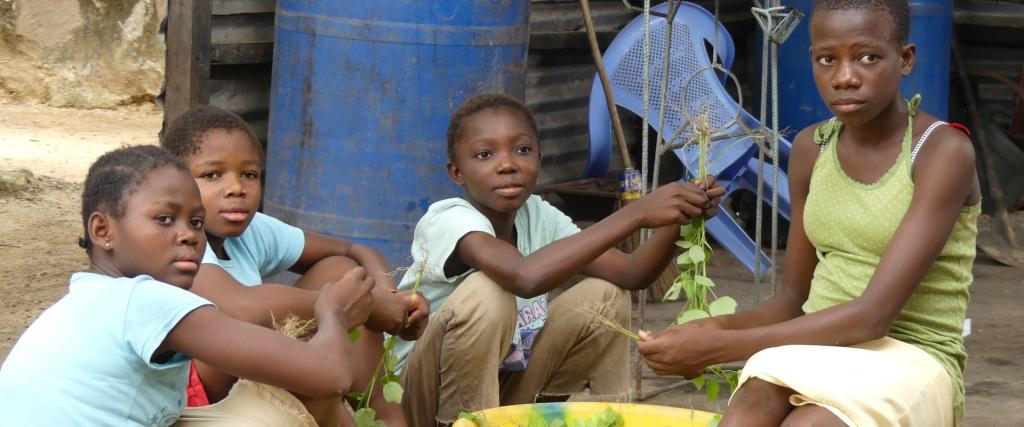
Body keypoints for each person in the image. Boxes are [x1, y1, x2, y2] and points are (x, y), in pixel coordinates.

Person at [636, 1, 980, 426]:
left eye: (867, 57)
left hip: (912, 354)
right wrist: (714, 329)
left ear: (905, 59)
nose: (845, 77)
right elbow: (794, 302)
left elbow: (873, 316)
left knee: (811, 422)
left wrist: (718, 349)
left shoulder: (941, 152)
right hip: (819, 344)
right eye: (827, 59)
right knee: (748, 410)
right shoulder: (810, 149)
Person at [393, 93, 725, 425]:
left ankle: (607, 418)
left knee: (605, 297)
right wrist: (637, 213)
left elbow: (631, 272)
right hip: (420, 402)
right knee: (488, 290)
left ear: (539, 156)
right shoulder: (449, 219)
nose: (507, 164)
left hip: (498, 393)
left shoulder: (538, 215)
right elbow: (524, 277)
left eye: (522, 150)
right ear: (457, 173)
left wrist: (681, 215)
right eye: (484, 154)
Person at [0, 145, 374, 426]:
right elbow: (330, 374)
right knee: (287, 406)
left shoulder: (83, 301)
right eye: (164, 219)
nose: (188, 236)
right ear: (103, 231)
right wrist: (333, 313)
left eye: (196, 223)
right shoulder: (146, 301)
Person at [160, 106, 427, 425]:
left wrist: (390, 300)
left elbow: (353, 250)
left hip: (254, 376)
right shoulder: (180, 243)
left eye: (249, 174)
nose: (236, 188)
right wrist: (361, 307)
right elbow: (242, 309)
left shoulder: (252, 229)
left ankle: (387, 416)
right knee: (308, 318)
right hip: (197, 396)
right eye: (212, 175)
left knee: (341, 271)